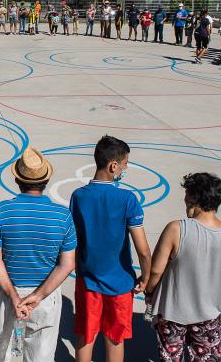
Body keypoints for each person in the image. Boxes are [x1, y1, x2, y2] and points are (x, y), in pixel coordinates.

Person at [145, 173, 221, 361]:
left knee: (170, 357)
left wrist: (150, 292)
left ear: (195, 198)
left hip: (172, 313)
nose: (184, 199)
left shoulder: (176, 229)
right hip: (208, 315)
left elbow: (155, 271)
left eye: (187, 194)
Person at [0, 147, 76, 362]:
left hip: (9, 295)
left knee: (0, 352)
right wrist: (38, 296)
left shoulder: (2, 210)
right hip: (46, 295)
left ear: (17, 180)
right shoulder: (63, 216)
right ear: (46, 180)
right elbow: (67, 264)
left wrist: (14, 296)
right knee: (40, 356)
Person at [70, 136, 152, 362]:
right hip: (120, 283)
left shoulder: (78, 196)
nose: (125, 168)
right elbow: (143, 250)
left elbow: (75, 239)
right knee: (115, 339)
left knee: (86, 337)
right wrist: (146, 278)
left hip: (87, 279)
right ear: (113, 166)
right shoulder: (127, 199)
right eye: (125, 164)